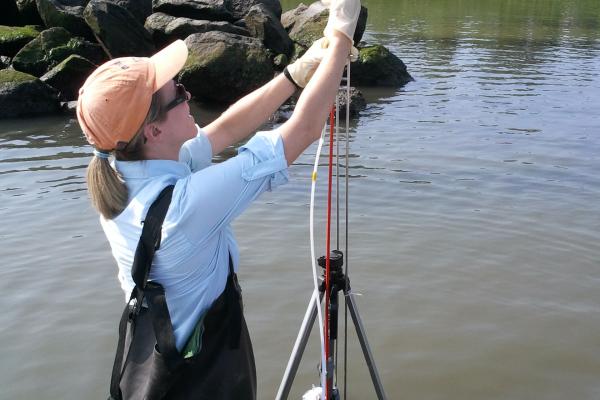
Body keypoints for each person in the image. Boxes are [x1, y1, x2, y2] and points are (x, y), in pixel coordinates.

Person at [77, 0, 361, 398]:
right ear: (154, 132)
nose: (188, 93)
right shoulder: (184, 207)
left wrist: (294, 75)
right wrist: (341, 41)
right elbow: (303, 131)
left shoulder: (128, 172)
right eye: (178, 93)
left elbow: (226, 128)